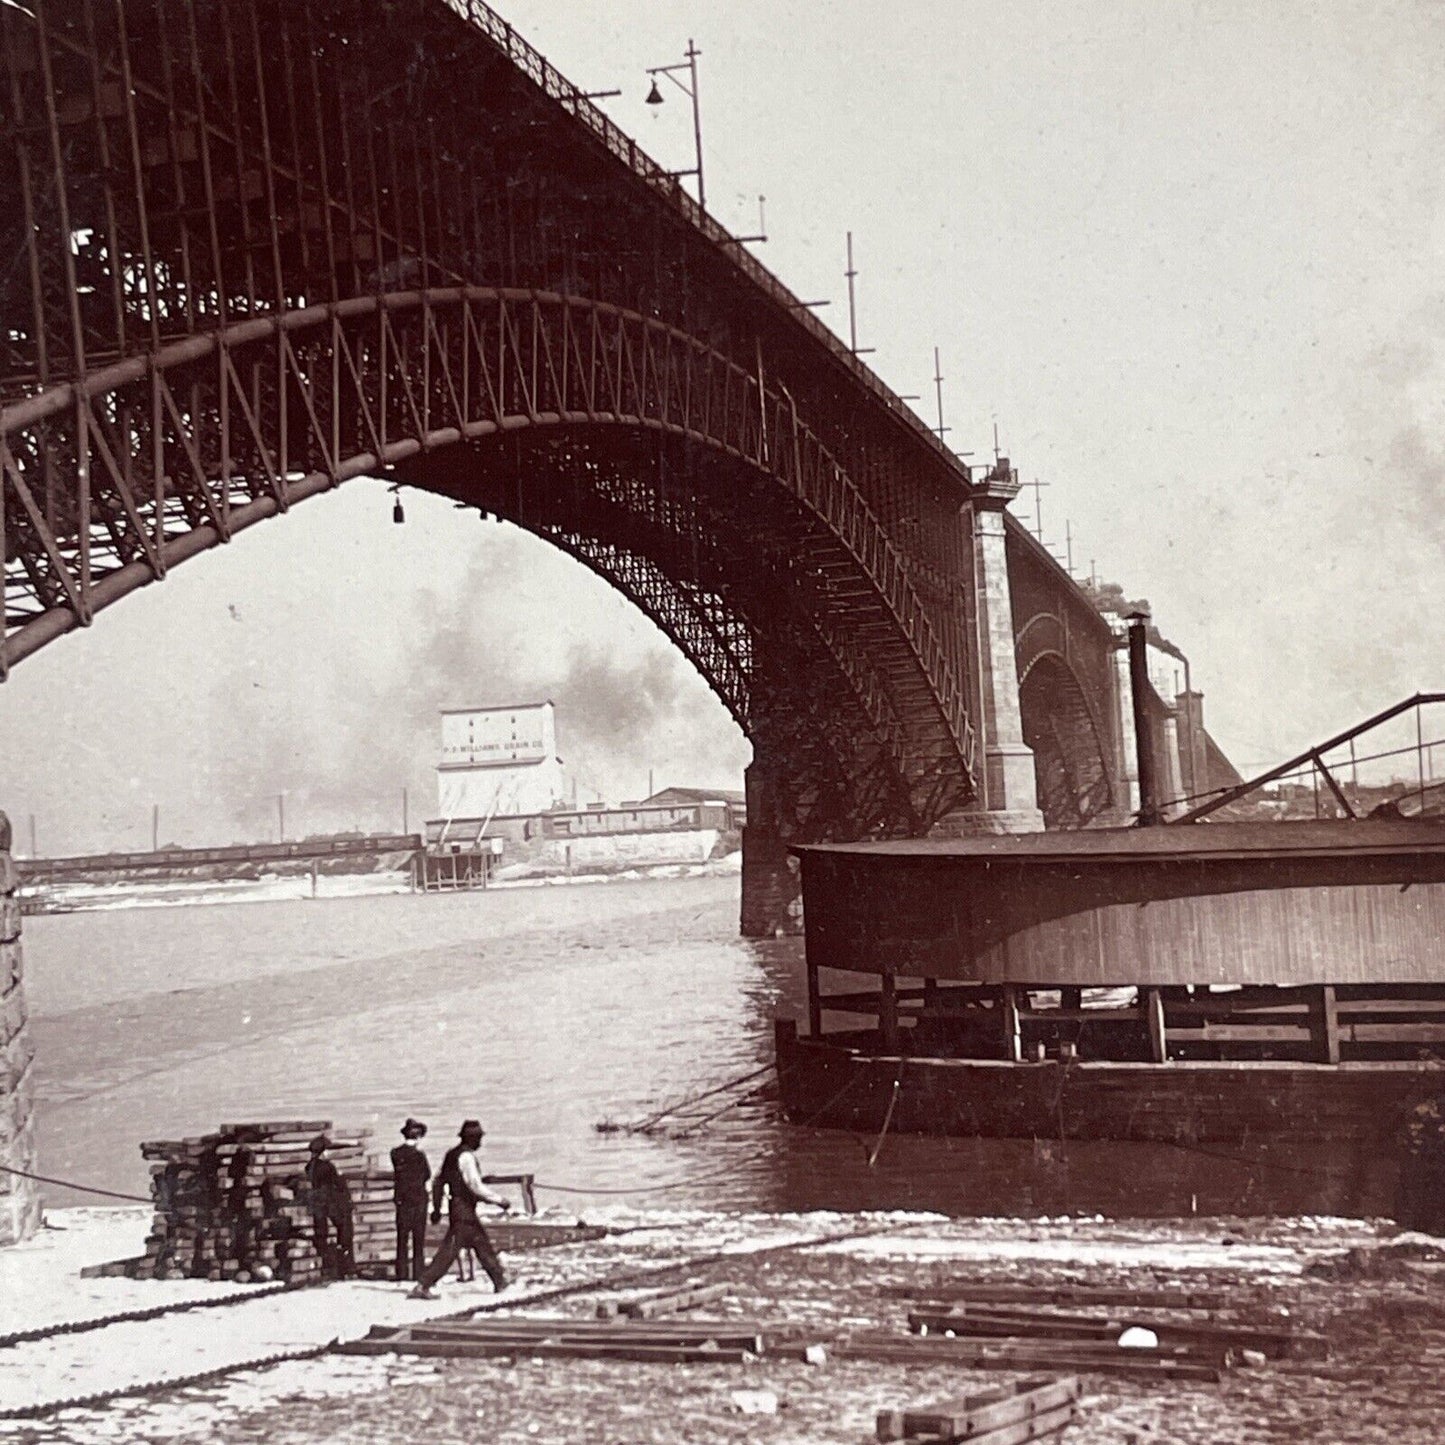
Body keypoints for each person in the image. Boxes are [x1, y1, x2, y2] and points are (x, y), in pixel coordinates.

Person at [408, 1119, 511, 1297]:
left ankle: (499, 1281)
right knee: (455, 1250)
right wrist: (498, 1200)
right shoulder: (466, 1157)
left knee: (478, 1244)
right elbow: (474, 1185)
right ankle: (423, 1284)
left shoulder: (451, 1155)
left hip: (457, 1208)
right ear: (472, 1139)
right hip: (464, 1209)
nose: (480, 1142)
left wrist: (437, 1209)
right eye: (478, 1138)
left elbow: (438, 1181)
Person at [305, 1134, 356, 1279]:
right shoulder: (327, 1167)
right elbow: (339, 1185)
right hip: (332, 1204)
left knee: (323, 1235)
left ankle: (332, 1267)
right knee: (345, 1233)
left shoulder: (310, 1166)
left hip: (319, 1205)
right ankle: (346, 1268)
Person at [390, 1118, 432, 1282]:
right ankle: (418, 1272)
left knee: (402, 1237)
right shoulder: (419, 1155)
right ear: (418, 1136)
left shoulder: (395, 1153)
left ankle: (401, 1273)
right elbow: (426, 1174)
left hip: (402, 1199)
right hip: (418, 1199)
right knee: (418, 1238)